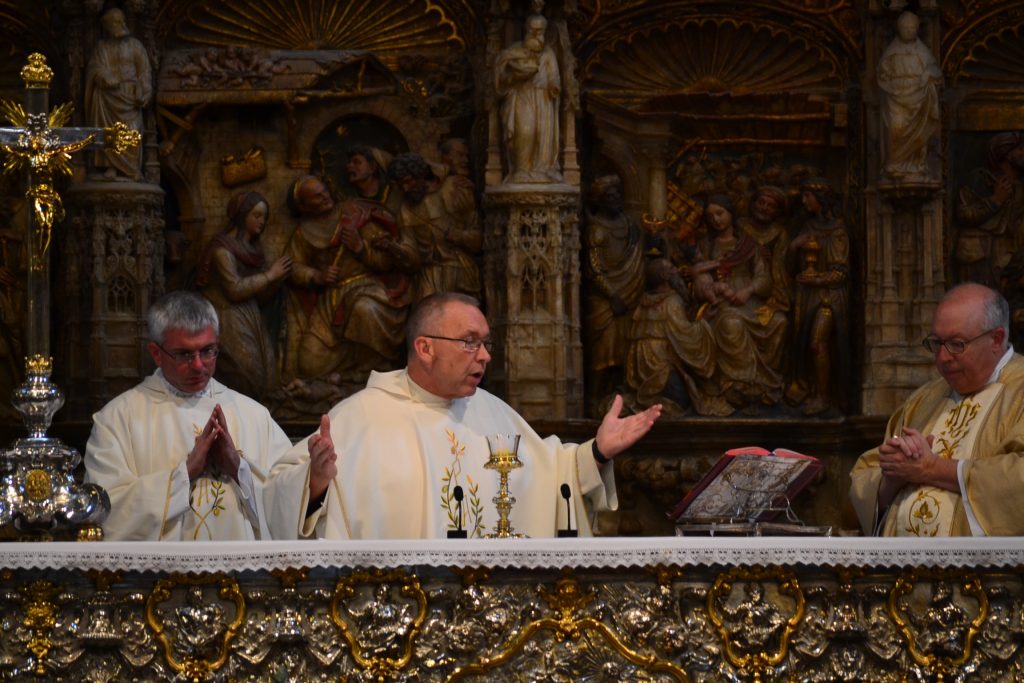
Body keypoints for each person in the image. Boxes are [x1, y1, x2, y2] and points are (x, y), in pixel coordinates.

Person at [264, 292, 662, 539]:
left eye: (486, 343)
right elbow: (277, 496)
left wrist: (597, 452)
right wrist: (313, 483)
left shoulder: (493, 413)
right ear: (425, 348)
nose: (486, 355)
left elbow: (552, 477)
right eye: (469, 343)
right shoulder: (361, 417)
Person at [83, 291, 292, 541]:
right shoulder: (117, 419)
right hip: (157, 577)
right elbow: (104, 511)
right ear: (156, 353)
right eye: (184, 354)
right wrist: (184, 474)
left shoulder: (254, 415)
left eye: (207, 351)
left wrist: (238, 468)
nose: (198, 365)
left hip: (240, 575)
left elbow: (288, 503)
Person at [849, 283, 1024, 536]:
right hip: (902, 571)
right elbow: (865, 478)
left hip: (986, 574)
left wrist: (931, 469)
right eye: (936, 343)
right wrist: (893, 478)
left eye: (956, 344)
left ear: (996, 339)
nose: (942, 357)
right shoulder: (924, 400)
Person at [283, 174, 415, 382]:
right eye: (317, 197)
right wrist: (317, 275)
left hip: (368, 286)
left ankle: (368, 374)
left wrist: (360, 248)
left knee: (365, 310)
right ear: (305, 206)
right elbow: (292, 267)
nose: (325, 197)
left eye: (324, 191)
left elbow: (386, 262)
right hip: (332, 298)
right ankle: (346, 375)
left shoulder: (355, 214)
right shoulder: (304, 232)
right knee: (309, 363)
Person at [691, 194, 787, 411]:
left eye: (720, 213)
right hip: (722, 303)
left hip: (748, 300)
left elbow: (764, 278)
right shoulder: (706, 246)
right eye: (710, 216)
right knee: (731, 324)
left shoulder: (748, 244)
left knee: (779, 322)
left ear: (730, 214)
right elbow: (698, 277)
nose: (716, 220)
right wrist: (713, 287)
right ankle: (737, 384)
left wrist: (748, 290)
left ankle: (763, 384)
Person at [196, 190, 291, 399]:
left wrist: (276, 281)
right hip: (228, 317)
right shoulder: (222, 250)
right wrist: (270, 275)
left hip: (249, 315)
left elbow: (258, 296)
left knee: (267, 374)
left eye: (264, 217)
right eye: (256, 216)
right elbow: (235, 289)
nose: (262, 222)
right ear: (242, 216)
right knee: (248, 373)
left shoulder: (253, 249)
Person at [784, 178, 850, 416]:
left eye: (807, 196)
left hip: (829, 297)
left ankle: (824, 396)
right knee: (801, 343)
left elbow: (841, 272)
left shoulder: (838, 231)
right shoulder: (807, 228)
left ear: (820, 198)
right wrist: (793, 247)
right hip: (807, 296)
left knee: (817, 342)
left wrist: (817, 279)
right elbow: (790, 269)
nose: (804, 201)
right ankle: (811, 390)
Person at [584, 175, 645, 411]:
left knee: (624, 351)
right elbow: (594, 268)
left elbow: (640, 254)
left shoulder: (630, 226)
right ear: (599, 200)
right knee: (603, 352)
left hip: (630, 295)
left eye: (618, 194)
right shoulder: (596, 229)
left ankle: (618, 398)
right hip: (605, 300)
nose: (616, 199)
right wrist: (612, 295)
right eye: (610, 196)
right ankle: (594, 398)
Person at [387, 152, 482, 301]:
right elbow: (412, 253)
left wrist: (460, 236)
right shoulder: (405, 210)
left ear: (420, 175)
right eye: (400, 186)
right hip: (429, 277)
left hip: (460, 270)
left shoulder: (455, 188)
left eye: (408, 181)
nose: (405, 189)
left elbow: (480, 238)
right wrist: (395, 249)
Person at [494, 4, 561, 183]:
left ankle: (542, 169)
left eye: (540, 32)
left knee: (541, 134)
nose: (535, 36)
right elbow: (500, 77)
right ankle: (522, 170)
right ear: (526, 30)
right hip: (521, 96)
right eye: (532, 31)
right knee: (525, 131)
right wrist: (513, 75)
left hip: (544, 100)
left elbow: (554, 76)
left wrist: (554, 86)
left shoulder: (548, 54)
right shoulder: (514, 52)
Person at [85, 8, 152, 181]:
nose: (121, 25)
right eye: (116, 22)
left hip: (129, 96)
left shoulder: (135, 45)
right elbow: (94, 68)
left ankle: (132, 169)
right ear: (107, 26)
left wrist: (143, 92)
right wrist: (103, 76)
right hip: (107, 97)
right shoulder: (102, 47)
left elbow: (144, 71)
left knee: (132, 131)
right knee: (109, 132)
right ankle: (110, 166)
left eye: (122, 21)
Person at [877, 11, 942, 182]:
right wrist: (890, 84)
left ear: (917, 29)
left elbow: (937, 72)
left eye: (912, 28)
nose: (909, 31)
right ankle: (894, 165)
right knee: (895, 129)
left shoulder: (923, 51)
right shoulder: (891, 52)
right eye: (905, 28)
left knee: (919, 133)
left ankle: (917, 166)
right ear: (899, 29)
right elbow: (881, 75)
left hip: (918, 98)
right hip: (896, 97)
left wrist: (928, 73)